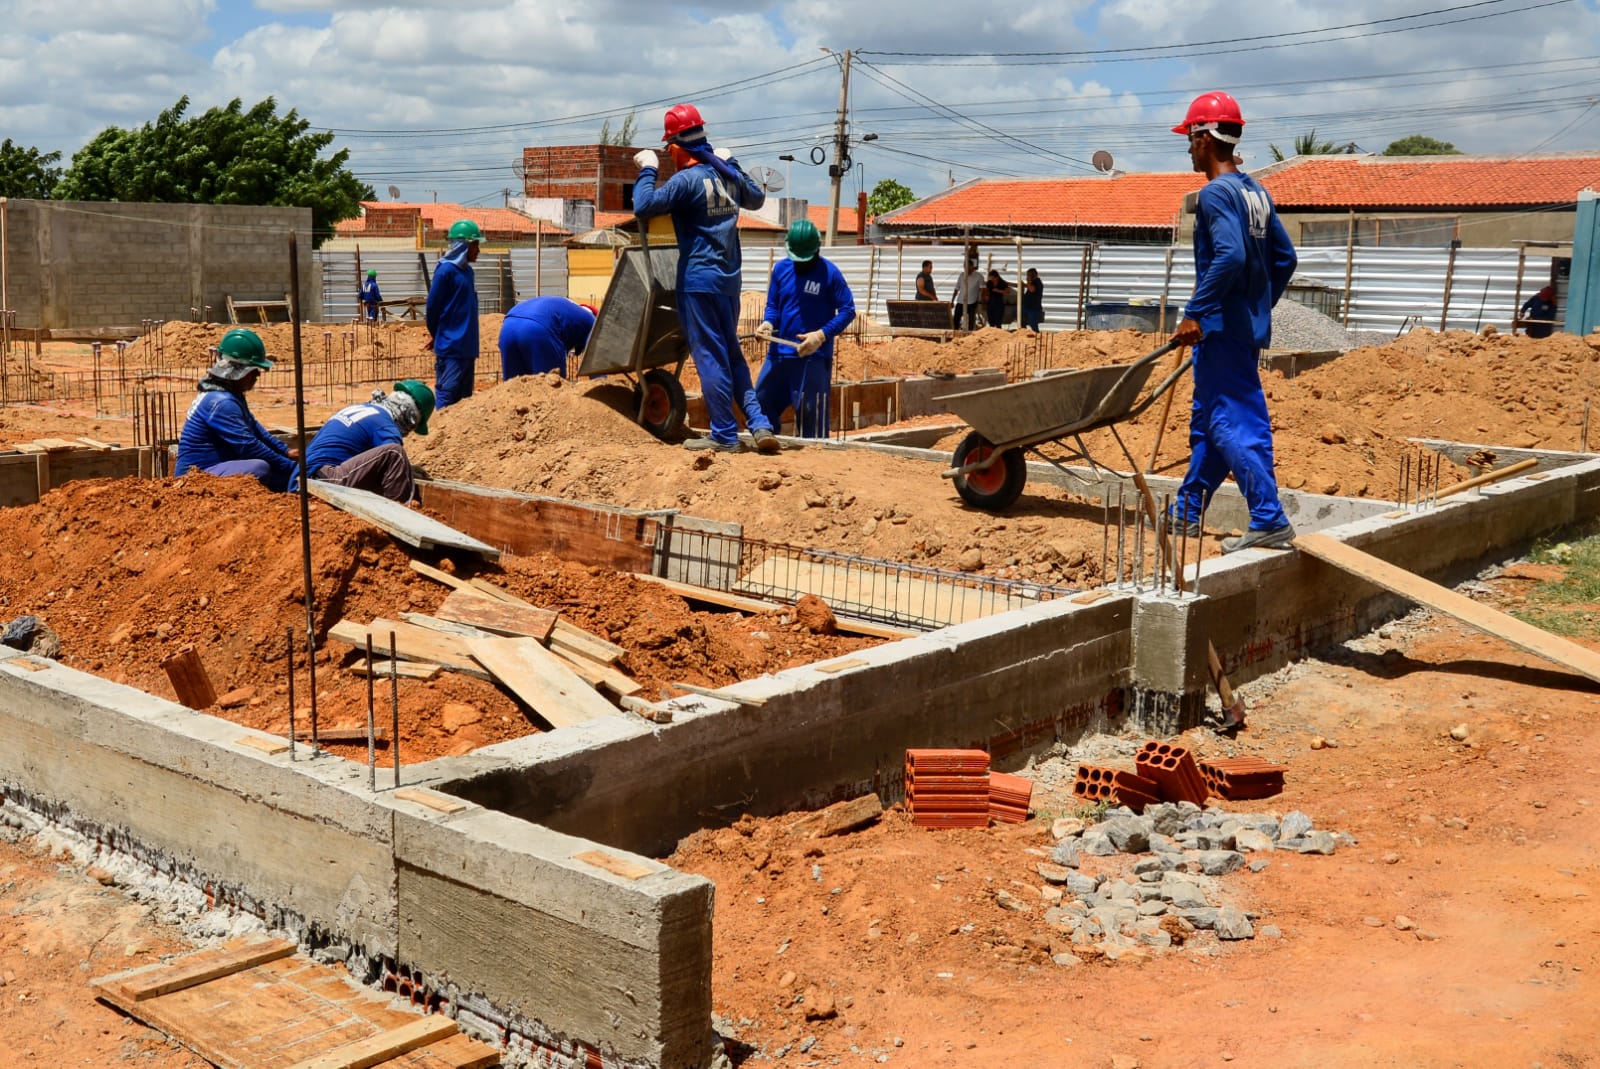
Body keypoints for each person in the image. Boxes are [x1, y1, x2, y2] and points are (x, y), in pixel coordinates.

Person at [1168, 91, 1299, 554]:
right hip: (1240, 328)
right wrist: (1255, 306)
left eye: (1190, 137)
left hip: (1220, 330)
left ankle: (1269, 517)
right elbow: (1284, 258)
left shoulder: (1215, 193)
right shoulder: (1254, 192)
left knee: (1230, 423)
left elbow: (1231, 255)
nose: (1188, 147)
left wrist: (1197, 312)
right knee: (1208, 423)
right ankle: (1185, 512)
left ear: (1205, 137)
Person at [632, 103, 779, 454]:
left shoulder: (686, 181)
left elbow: (643, 206)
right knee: (732, 356)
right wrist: (734, 164)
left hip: (698, 282)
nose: (669, 156)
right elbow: (757, 198)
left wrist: (648, 171)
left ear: (678, 147)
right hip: (729, 281)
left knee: (711, 357)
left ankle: (725, 435)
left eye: (668, 150)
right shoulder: (725, 174)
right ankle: (759, 425)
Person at [754, 219, 856, 438]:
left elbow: (848, 310)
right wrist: (768, 323)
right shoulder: (781, 269)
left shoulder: (830, 274)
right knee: (761, 403)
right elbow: (773, 304)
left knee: (813, 420)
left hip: (813, 360)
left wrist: (820, 335)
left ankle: (816, 463)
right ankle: (767, 454)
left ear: (817, 248)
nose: (800, 263)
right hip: (779, 357)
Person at [174, 328, 296, 491]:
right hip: (197, 476)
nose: (257, 375)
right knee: (260, 468)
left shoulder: (230, 394)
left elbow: (256, 430)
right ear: (238, 371)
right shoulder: (221, 402)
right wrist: (290, 467)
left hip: (221, 466)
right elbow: (248, 445)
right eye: (253, 370)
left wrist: (286, 452)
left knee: (278, 475)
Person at [296, 380, 434, 503]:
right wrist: (405, 470)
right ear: (410, 417)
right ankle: (401, 517)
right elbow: (391, 463)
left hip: (302, 475)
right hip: (326, 478)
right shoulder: (387, 427)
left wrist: (407, 468)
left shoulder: (360, 409)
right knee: (395, 453)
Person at [426, 219, 482, 409]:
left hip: (467, 347)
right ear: (464, 247)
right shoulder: (445, 272)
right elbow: (432, 309)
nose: (478, 251)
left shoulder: (468, 273)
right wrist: (439, 335)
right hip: (451, 347)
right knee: (447, 394)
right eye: (475, 245)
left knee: (464, 400)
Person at [498, 296, 598, 380]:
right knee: (550, 387)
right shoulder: (593, 322)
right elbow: (596, 361)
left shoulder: (567, 308)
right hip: (539, 329)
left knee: (514, 389)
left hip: (508, 326)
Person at [951, 258, 983, 330]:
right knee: (956, 319)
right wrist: (952, 300)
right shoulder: (962, 275)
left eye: (967, 266)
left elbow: (982, 290)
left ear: (972, 266)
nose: (965, 269)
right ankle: (955, 333)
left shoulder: (978, 276)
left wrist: (981, 302)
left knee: (971, 321)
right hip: (960, 301)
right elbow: (956, 288)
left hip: (972, 301)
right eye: (964, 267)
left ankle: (970, 336)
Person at [1021, 268, 1045, 332]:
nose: (1027, 276)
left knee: (1033, 325)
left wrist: (1028, 281)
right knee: (1022, 321)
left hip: (1033, 308)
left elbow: (1032, 289)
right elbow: (1029, 286)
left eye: (1028, 275)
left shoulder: (1037, 282)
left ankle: (1036, 337)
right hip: (1027, 307)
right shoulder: (1033, 282)